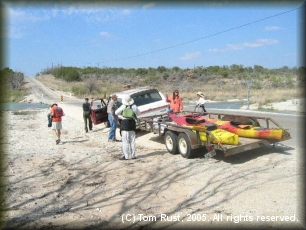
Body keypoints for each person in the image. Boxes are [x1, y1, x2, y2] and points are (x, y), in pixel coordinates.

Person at [115, 95, 141, 160]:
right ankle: (133, 155)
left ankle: (126, 156)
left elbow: (116, 112)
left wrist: (122, 115)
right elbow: (139, 113)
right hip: (132, 123)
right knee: (132, 141)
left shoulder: (123, 106)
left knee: (125, 142)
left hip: (125, 124)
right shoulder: (134, 106)